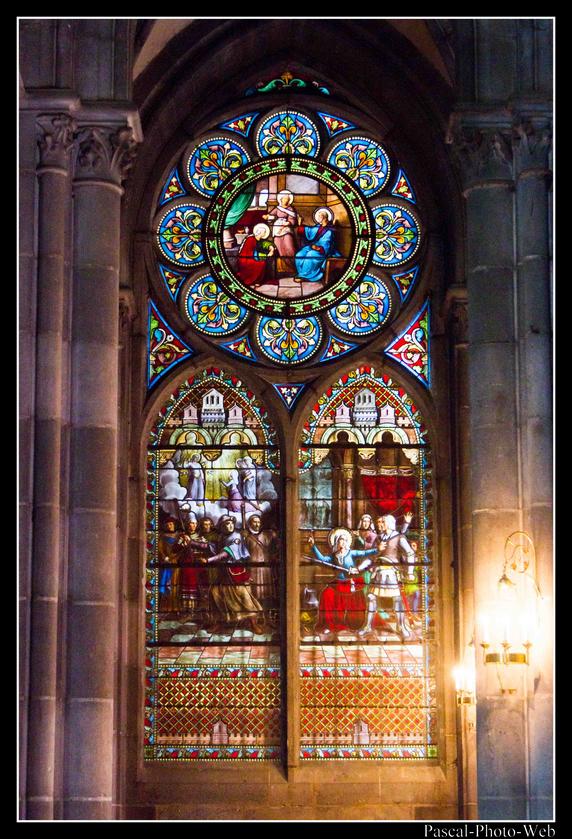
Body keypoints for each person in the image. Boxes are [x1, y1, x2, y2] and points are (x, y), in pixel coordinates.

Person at [307, 528, 381, 635]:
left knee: (354, 599)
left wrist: (376, 549)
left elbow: (364, 553)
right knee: (326, 594)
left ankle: (352, 623)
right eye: (340, 540)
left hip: (350, 582)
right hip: (338, 583)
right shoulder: (334, 556)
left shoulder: (351, 553)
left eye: (344, 540)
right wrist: (313, 546)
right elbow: (322, 558)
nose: (342, 542)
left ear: (347, 542)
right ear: (336, 542)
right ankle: (328, 624)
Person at [201, 515, 265, 634]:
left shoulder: (236, 537)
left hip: (236, 572)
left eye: (231, 523)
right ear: (221, 526)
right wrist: (193, 542)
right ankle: (219, 622)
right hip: (224, 573)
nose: (230, 526)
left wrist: (209, 560)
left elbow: (225, 553)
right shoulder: (221, 537)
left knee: (244, 596)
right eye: (226, 524)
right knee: (215, 593)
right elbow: (210, 546)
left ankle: (253, 624)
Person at [359, 513, 416, 639]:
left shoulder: (399, 537)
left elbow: (410, 553)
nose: (381, 524)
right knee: (371, 597)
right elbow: (371, 557)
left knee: (397, 599)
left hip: (392, 573)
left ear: (389, 524)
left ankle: (401, 627)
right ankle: (367, 626)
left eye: (383, 522)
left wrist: (410, 572)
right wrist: (360, 568)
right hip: (378, 573)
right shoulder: (378, 538)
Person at [294, 207, 340, 282]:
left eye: (319, 216)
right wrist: (300, 224)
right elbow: (309, 231)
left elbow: (328, 243)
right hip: (313, 247)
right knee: (299, 254)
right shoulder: (318, 226)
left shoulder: (330, 229)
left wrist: (318, 248)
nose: (318, 218)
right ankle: (301, 273)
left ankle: (305, 276)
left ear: (323, 217)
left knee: (310, 254)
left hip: (324, 250)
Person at [244, 514, 278, 604]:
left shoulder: (266, 535)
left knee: (266, 589)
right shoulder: (247, 537)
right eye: (254, 522)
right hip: (252, 566)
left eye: (258, 522)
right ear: (250, 524)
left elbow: (276, 537)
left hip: (264, 565)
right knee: (254, 590)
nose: (257, 524)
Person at [263, 189, 298, 273]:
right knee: (278, 247)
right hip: (277, 229)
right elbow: (271, 215)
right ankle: (282, 269)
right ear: (281, 199)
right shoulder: (277, 208)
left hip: (287, 228)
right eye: (285, 198)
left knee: (290, 248)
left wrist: (288, 222)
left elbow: (293, 219)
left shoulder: (291, 209)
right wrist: (267, 216)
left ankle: (294, 267)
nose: (287, 200)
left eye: (288, 199)